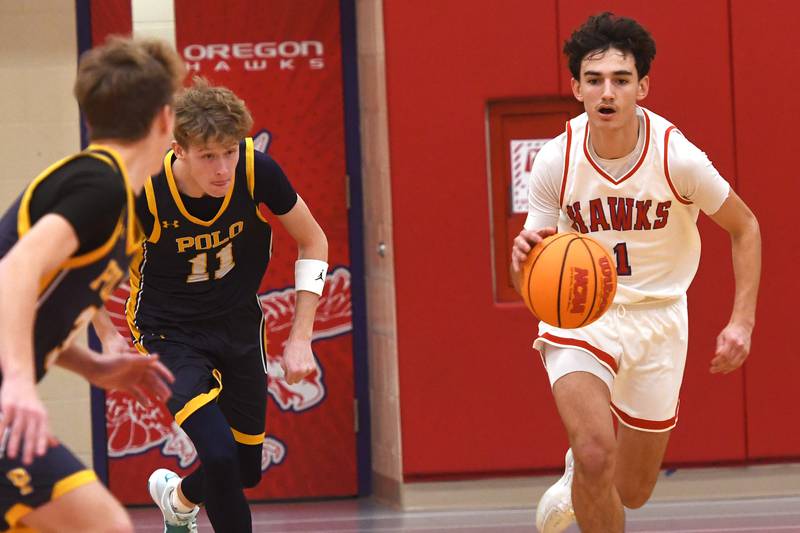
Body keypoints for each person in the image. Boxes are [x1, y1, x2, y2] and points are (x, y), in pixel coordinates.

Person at [510, 12, 761, 533]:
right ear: (575, 86)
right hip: (582, 315)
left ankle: (582, 472)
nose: (608, 92)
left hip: (660, 316)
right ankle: (585, 458)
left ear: (642, 87)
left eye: (621, 80)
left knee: (632, 491)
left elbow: (746, 227)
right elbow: (535, 275)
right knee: (599, 452)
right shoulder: (556, 160)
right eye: (595, 80)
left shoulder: (678, 158)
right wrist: (521, 263)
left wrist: (742, 322)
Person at [93, 78, 328, 533]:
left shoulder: (256, 172)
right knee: (218, 455)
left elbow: (313, 240)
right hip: (167, 330)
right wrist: (107, 336)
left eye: (230, 152)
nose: (223, 169)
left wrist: (301, 338)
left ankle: (177, 500)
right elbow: (76, 270)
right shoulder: (147, 193)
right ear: (178, 149)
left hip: (238, 322)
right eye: (208, 156)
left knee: (243, 469)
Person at [0, 36, 185, 532]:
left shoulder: (111, 198)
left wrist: (90, 365)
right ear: (166, 119)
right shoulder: (98, 186)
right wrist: (18, 380)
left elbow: (31, 305)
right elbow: (13, 271)